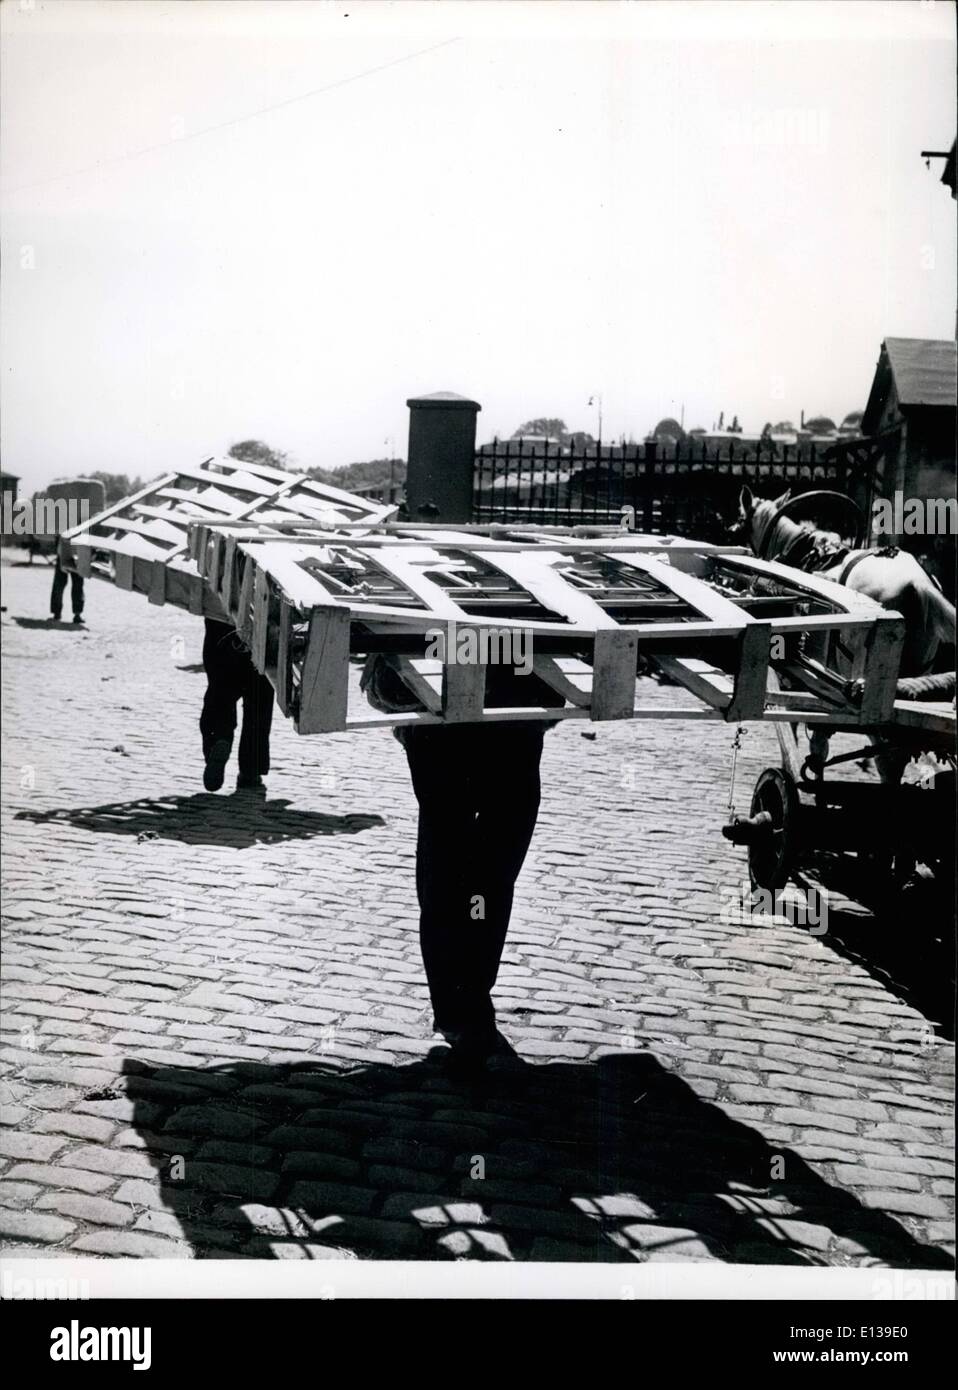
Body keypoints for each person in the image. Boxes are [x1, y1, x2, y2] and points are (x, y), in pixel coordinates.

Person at [362, 653, 561, 1073]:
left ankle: (466, 1003)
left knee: (481, 863)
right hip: (458, 716)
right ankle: (463, 1009)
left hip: (499, 715)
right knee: (464, 863)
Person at [200, 608, 275, 795]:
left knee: (220, 689)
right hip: (266, 626)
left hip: (223, 618)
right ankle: (251, 769)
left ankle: (219, 737)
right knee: (259, 697)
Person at [50, 551, 85, 624]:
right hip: (73, 551)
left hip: (71, 551)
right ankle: (75, 614)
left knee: (62, 584)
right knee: (74, 584)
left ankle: (58, 613)